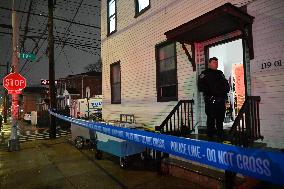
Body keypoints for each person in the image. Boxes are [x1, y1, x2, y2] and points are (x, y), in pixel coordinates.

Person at [198, 57, 230, 140]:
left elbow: (226, 85)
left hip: (220, 101)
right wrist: (210, 95)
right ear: (209, 64)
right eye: (214, 62)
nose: (216, 64)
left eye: (217, 62)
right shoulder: (204, 74)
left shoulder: (220, 73)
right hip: (211, 102)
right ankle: (210, 137)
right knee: (211, 120)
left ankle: (220, 136)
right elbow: (201, 87)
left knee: (220, 120)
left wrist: (223, 94)